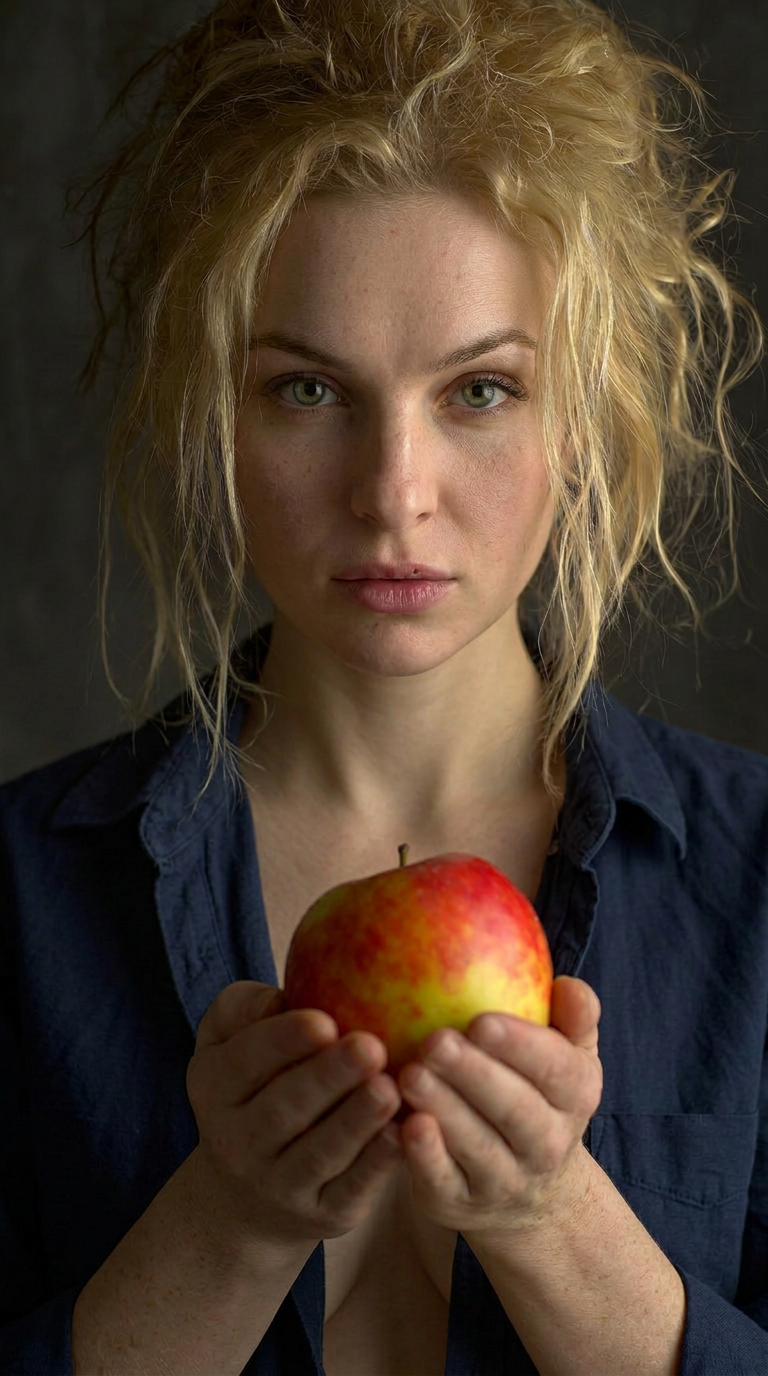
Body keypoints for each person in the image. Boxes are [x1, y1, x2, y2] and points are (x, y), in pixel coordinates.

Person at [1, 0, 767, 1371]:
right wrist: (229, 1223)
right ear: (210, 414)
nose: (392, 496)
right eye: (306, 392)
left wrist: (550, 1214)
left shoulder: (760, 882)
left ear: (582, 418)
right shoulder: (17, 893)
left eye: (479, 393)